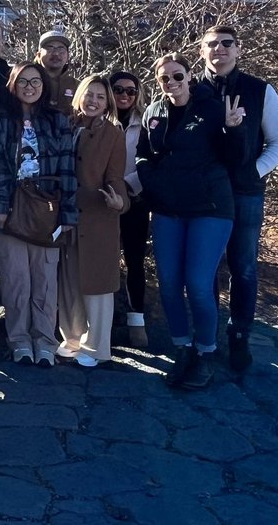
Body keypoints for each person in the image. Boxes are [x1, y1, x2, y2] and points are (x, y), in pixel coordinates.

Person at [137, 52, 248, 390]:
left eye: (178, 75)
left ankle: (206, 352)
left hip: (209, 208)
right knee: (169, 283)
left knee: (198, 283)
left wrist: (233, 130)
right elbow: (143, 153)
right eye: (164, 78)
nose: (172, 82)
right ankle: (182, 348)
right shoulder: (153, 112)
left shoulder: (212, 108)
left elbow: (234, 160)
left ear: (189, 75)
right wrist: (151, 181)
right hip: (168, 209)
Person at [198, 25, 278, 372]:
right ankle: (207, 334)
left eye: (226, 43)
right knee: (204, 269)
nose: (219, 49)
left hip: (245, 193)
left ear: (238, 49)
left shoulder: (259, 90)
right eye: (211, 44)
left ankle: (239, 335)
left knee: (244, 267)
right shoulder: (192, 90)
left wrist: (254, 172)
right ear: (201, 51)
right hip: (203, 195)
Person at [0, 63, 77, 366]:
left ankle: (45, 342)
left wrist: (68, 215)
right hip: (10, 206)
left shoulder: (58, 121)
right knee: (16, 280)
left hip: (47, 208)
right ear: (12, 84)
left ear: (44, 85)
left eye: (35, 81)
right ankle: (19, 341)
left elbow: (67, 169)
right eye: (22, 81)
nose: (29, 86)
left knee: (45, 279)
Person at [57, 75, 130, 367]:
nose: (93, 101)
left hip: (98, 216)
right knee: (69, 282)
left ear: (107, 102)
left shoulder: (113, 133)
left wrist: (119, 202)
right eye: (89, 95)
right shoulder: (66, 125)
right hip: (66, 216)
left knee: (98, 286)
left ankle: (97, 347)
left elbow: (116, 177)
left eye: (100, 97)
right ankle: (71, 339)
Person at [109, 70, 150, 348]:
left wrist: (129, 186)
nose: (124, 95)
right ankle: (104, 320)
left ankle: (137, 321)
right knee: (105, 261)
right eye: (119, 90)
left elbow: (151, 160)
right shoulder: (98, 118)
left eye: (131, 91)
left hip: (135, 198)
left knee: (135, 261)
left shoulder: (146, 122)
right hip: (103, 200)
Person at [34, 30, 79, 116]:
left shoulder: (76, 86)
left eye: (61, 49)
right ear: (38, 54)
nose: (56, 53)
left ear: (68, 56)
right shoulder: (28, 81)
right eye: (50, 48)